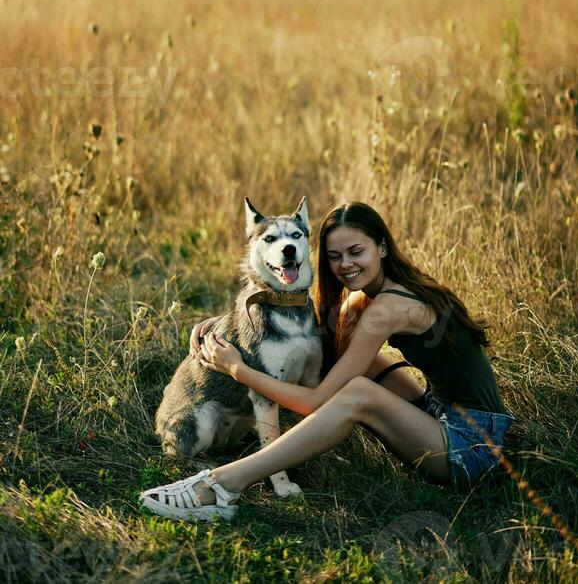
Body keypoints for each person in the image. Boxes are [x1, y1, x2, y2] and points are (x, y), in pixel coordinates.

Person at [140, 201, 515, 521]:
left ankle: (222, 486)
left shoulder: (388, 308)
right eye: (334, 256)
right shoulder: (381, 289)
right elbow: (309, 335)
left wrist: (239, 370)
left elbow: (316, 401)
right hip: (442, 412)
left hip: (473, 447)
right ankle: (252, 468)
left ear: (381, 247)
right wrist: (224, 325)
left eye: (356, 252)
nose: (344, 265)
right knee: (343, 358)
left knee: (357, 392)